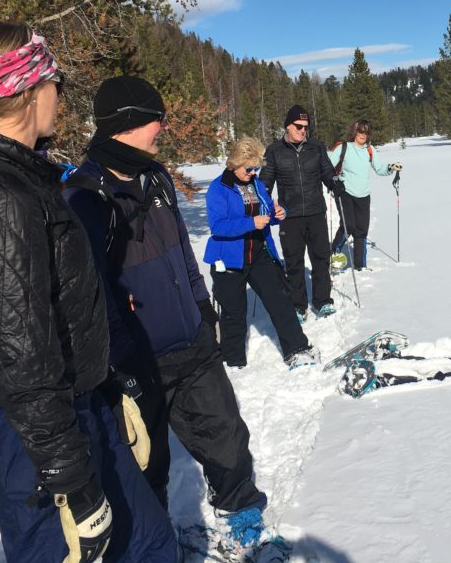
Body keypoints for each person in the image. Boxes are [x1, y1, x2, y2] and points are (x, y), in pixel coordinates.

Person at [0, 22, 178, 562]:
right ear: (27, 89)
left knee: (152, 545)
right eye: (56, 81)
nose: (61, 96)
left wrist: (109, 390)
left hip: (73, 412)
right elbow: (16, 354)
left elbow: (58, 312)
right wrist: (69, 475)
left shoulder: (24, 180)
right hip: (35, 443)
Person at [65, 76, 274, 554]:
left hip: (191, 339)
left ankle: (239, 509)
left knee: (224, 431)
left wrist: (203, 308)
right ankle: (155, 539)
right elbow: (92, 290)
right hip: (137, 358)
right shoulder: (85, 195)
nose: (163, 125)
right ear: (128, 122)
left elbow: (181, 248)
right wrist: (121, 361)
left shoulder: (155, 176)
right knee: (145, 462)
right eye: (156, 117)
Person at [205, 137, 316, 368]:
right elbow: (218, 227)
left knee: (280, 302)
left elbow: (268, 213)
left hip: (259, 253)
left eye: (257, 168)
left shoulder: (257, 184)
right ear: (235, 163)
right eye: (249, 168)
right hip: (229, 259)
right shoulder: (218, 188)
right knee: (233, 313)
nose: (254, 172)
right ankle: (233, 361)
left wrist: (279, 213)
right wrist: (250, 223)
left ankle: (297, 349)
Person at [259, 105, 339, 320]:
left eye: (306, 127)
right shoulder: (274, 151)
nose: (303, 130)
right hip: (289, 215)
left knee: (321, 258)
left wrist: (334, 183)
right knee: (293, 262)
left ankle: (323, 301)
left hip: (315, 211)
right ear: (288, 125)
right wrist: (263, 202)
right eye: (299, 126)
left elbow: (327, 172)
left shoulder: (316, 147)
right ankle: (298, 305)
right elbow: (264, 182)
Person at [328, 119, 403, 270]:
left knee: (361, 230)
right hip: (345, 192)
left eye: (366, 132)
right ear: (354, 132)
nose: (363, 135)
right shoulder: (344, 147)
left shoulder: (370, 150)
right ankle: (334, 251)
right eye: (360, 131)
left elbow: (379, 168)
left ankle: (360, 266)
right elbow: (327, 166)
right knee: (349, 225)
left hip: (364, 194)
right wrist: (335, 181)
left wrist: (390, 167)